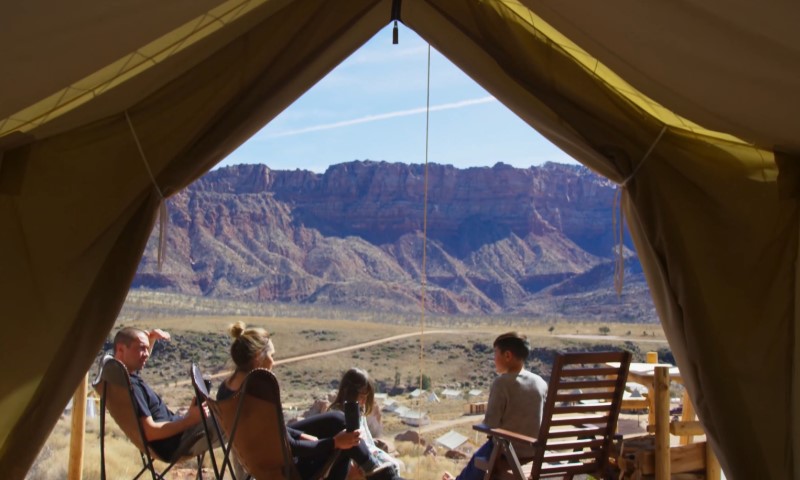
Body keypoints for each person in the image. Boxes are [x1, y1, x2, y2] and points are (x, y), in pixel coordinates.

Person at [217, 321, 399, 480]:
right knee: (345, 442)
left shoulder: (227, 390)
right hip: (281, 470)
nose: (274, 361)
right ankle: (379, 473)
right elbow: (291, 447)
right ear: (258, 357)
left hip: (260, 459)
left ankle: (372, 467)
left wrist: (303, 435)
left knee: (338, 419)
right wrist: (335, 442)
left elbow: (276, 433)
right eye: (272, 355)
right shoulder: (259, 394)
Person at [443, 332, 548, 480]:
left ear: (507, 355)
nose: (493, 359)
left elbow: (490, 425)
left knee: (478, 459)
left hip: (509, 452)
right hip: (534, 452)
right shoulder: (540, 383)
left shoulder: (502, 383)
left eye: (495, 354)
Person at [113, 326, 215, 461]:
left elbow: (138, 358)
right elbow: (150, 432)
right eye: (141, 348)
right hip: (175, 443)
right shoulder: (132, 388)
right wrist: (190, 419)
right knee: (231, 419)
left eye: (146, 348)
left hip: (174, 433)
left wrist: (152, 339)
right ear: (120, 349)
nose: (147, 354)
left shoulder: (121, 375)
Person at [330, 368, 403, 476]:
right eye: (361, 396)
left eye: (366, 397)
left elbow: (367, 437)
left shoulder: (360, 410)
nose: (364, 401)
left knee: (394, 466)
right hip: (351, 460)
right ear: (348, 392)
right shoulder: (337, 414)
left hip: (366, 452)